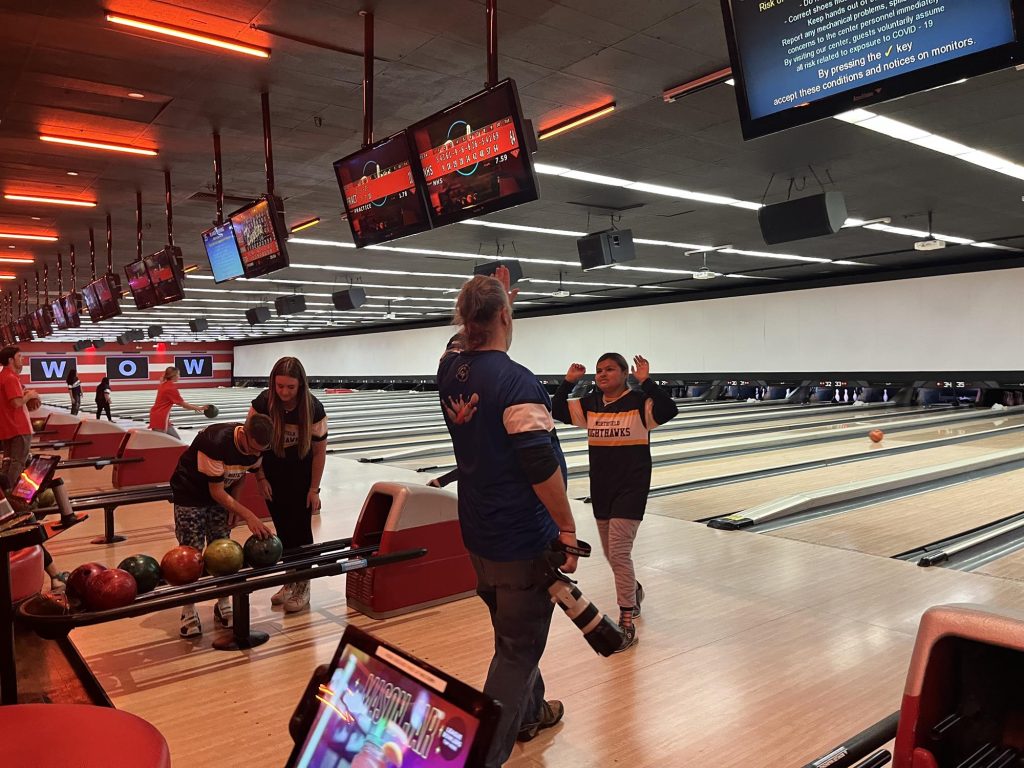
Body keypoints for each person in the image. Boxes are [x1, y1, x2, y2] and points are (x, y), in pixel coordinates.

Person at [438, 266, 579, 767]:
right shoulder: (517, 382)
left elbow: (457, 342)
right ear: (504, 315)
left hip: (478, 533)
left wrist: (489, 299)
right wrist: (567, 527)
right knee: (517, 651)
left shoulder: (449, 369)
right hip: (521, 538)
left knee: (511, 633)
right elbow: (539, 465)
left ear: (465, 318)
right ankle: (481, 758)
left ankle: (530, 713)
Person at [552, 353, 679, 652]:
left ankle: (626, 622)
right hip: (602, 489)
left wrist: (646, 382)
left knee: (620, 554)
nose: (602, 374)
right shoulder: (591, 404)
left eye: (610, 369)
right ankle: (633, 590)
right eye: (599, 370)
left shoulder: (639, 403)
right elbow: (557, 410)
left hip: (631, 488)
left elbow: (669, 409)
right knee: (612, 555)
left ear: (624, 374)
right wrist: (567, 383)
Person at [169, 412, 275, 637]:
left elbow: (243, 471)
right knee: (191, 553)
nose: (256, 454)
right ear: (243, 434)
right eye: (254, 448)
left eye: (261, 451)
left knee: (223, 549)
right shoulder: (214, 442)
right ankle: (188, 608)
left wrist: (235, 504)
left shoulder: (256, 448)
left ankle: (223, 602)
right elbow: (215, 491)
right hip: (190, 493)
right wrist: (248, 515)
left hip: (221, 495)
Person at [248, 356, 328, 613]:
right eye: (279, 385)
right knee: (282, 529)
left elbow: (319, 453)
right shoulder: (263, 402)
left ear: (301, 384)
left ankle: (303, 583)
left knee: (301, 530)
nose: (283, 392)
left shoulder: (313, 409)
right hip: (272, 475)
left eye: (290, 387)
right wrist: (260, 478)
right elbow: (252, 443)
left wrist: (314, 490)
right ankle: (290, 578)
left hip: (301, 476)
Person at [0, 346, 67, 590]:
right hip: (17, 429)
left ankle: (13, 499)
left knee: (12, 464)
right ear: (10, 359)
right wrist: (29, 394)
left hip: (11, 428)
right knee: (16, 466)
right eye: (20, 356)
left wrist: (27, 398)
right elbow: (17, 402)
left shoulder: (6, 377)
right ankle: (14, 502)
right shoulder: (9, 377)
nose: (23, 359)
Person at [149, 367, 205, 439]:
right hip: (161, 418)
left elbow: (162, 380)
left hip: (158, 416)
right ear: (173, 375)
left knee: (176, 441)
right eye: (178, 374)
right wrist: (199, 408)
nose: (179, 376)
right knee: (161, 442)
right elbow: (183, 404)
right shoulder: (170, 388)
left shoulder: (163, 384)